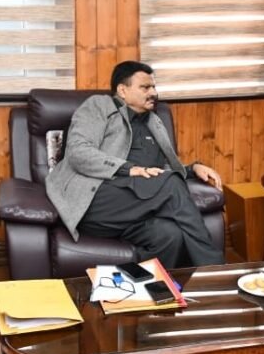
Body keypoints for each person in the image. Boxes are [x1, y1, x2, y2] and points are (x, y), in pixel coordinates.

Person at [45, 61, 225, 269]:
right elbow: (78, 152)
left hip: (134, 208)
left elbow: (159, 173)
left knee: (170, 235)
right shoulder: (98, 106)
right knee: (172, 184)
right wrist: (129, 168)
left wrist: (192, 169)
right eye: (145, 87)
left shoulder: (153, 123)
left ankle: (149, 286)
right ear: (123, 90)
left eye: (154, 87)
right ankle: (214, 270)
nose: (153, 93)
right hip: (94, 202)